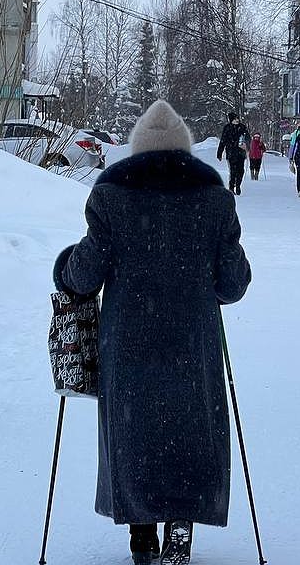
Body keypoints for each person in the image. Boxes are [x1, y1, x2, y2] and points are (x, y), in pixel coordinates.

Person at [53, 100, 252, 565]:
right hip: (192, 342)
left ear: (137, 153)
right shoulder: (214, 201)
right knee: (189, 425)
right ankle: (181, 524)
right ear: (184, 154)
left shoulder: (111, 199)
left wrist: (63, 266)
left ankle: (142, 534)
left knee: (135, 429)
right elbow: (233, 284)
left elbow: (84, 277)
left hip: (130, 340)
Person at [216, 112, 250, 195]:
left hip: (241, 153)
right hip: (231, 153)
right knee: (233, 171)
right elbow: (223, 141)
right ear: (231, 120)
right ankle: (231, 187)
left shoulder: (242, 127)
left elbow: (248, 138)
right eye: (235, 119)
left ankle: (238, 185)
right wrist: (219, 153)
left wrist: (247, 145)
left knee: (241, 171)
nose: (237, 120)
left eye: (237, 118)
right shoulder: (227, 128)